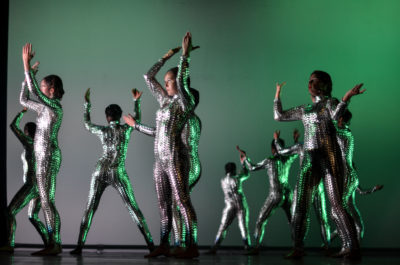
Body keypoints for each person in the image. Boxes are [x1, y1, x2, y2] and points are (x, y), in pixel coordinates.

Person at [274, 70, 365, 259]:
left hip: (328, 157)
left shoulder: (330, 103)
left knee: (337, 205)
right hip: (309, 158)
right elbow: (279, 116)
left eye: (315, 81)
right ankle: (298, 247)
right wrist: (277, 94)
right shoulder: (304, 109)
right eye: (309, 81)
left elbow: (336, 115)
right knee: (300, 204)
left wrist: (347, 97)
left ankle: (352, 247)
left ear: (325, 85)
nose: (311, 84)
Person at [124, 32, 199, 258]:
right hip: (160, 159)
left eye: (169, 81)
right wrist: (165, 57)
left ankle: (191, 245)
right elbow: (147, 76)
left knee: (182, 200)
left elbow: (183, 82)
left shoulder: (185, 102)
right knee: (163, 204)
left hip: (177, 156)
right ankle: (164, 244)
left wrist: (184, 57)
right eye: (165, 81)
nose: (165, 84)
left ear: (178, 82)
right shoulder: (165, 102)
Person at [70, 88, 154, 255]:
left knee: (90, 207)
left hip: (100, 170)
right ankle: (151, 246)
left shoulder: (103, 131)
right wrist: (136, 102)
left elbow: (87, 125)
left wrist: (87, 104)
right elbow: (136, 121)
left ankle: (79, 246)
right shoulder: (125, 130)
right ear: (119, 115)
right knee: (133, 208)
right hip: (117, 171)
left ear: (107, 117)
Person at [20, 43, 64, 255]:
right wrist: (26, 78)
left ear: (52, 90)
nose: (41, 92)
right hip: (42, 156)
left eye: (45, 89)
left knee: (47, 200)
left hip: (48, 155)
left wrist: (27, 66)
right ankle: (52, 243)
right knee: (46, 200)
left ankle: (54, 244)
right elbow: (24, 99)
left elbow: (35, 91)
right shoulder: (44, 108)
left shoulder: (54, 106)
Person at [237, 135, 297, 254]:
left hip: (275, 195)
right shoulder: (288, 159)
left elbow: (253, 168)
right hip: (288, 194)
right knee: (294, 222)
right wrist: (295, 141)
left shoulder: (270, 160)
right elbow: (295, 152)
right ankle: (298, 247)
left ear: (272, 149)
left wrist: (245, 159)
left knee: (260, 221)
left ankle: (256, 247)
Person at [0, 108, 48, 254]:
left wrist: (21, 112)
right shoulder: (42, 145)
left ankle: (10, 244)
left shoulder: (28, 142)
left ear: (27, 132)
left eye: (25, 130)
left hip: (32, 184)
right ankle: (49, 244)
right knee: (33, 216)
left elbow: (13, 126)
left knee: (10, 212)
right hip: (40, 186)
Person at [274, 129, 331, 250]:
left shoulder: (302, 146)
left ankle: (298, 248)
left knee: (299, 217)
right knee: (322, 218)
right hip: (318, 185)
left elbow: (281, 151)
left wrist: (276, 139)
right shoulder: (322, 148)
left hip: (306, 184)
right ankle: (327, 247)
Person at [332, 110, 383, 243]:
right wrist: (373, 189)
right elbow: (361, 190)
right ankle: (338, 243)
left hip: (346, 176)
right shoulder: (348, 134)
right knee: (349, 217)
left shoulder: (340, 133)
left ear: (341, 119)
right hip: (350, 176)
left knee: (338, 213)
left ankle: (349, 247)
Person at [208, 149, 251, 254]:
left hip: (229, 205)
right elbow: (247, 173)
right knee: (243, 226)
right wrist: (244, 162)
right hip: (240, 204)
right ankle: (247, 247)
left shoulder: (223, 180)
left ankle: (215, 246)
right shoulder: (237, 178)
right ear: (234, 170)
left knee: (223, 226)